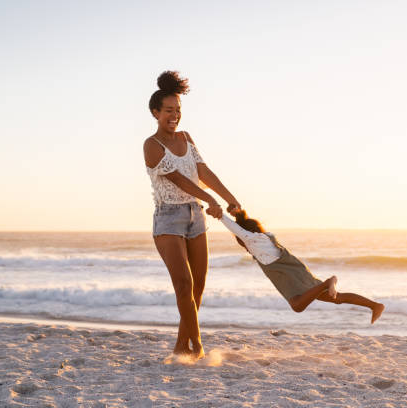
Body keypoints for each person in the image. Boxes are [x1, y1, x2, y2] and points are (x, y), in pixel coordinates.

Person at [143, 71, 241, 358]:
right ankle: (197, 346)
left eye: (178, 110)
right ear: (155, 112)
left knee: (197, 287)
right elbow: (179, 180)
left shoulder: (186, 137)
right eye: (168, 111)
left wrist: (230, 198)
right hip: (168, 219)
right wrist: (209, 198)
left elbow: (202, 172)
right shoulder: (151, 145)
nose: (174, 115)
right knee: (183, 284)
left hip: (195, 216)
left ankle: (180, 345)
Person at [216, 209, 385, 324]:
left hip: (290, 276)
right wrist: (238, 212)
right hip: (296, 270)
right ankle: (375, 305)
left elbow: (237, 229)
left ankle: (327, 282)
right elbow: (241, 225)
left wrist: (220, 215)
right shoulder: (264, 237)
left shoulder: (253, 241)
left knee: (297, 306)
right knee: (336, 298)